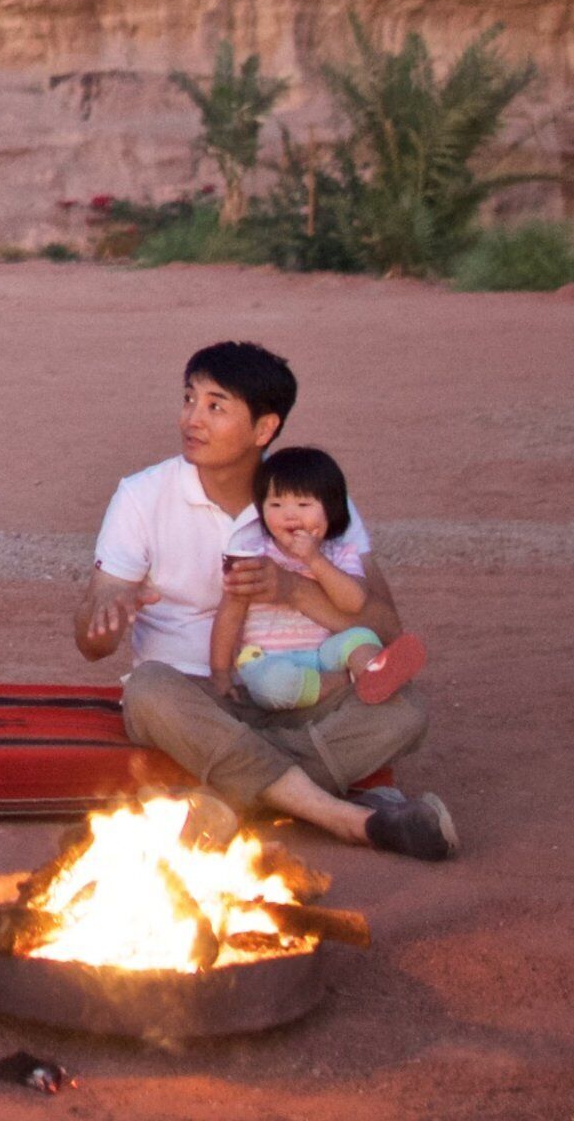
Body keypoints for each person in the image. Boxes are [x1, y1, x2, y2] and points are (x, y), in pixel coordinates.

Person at [73, 340, 456, 860]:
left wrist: (293, 590)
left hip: (304, 692)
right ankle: (344, 817)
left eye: (216, 406)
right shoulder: (142, 496)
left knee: (405, 710)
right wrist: (108, 617)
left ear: (264, 429)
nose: (192, 418)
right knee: (147, 688)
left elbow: (386, 627)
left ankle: (227, 799)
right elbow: (91, 640)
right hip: (195, 699)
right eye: (189, 399)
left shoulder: (311, 499)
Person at [205, 446, 423, 710]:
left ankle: (374, 672)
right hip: (270, 658)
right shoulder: (254, 555)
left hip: (323, 653)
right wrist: (220, 672)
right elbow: (230, 614)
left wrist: (314, 560)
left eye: (303, 504)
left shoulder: (340, 554)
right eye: (275, 504)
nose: (289, 514)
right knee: (272, 685)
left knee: (360, 637)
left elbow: (354, 603)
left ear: (330, 509)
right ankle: (348, 682)